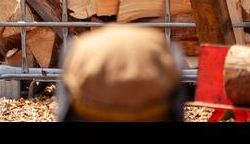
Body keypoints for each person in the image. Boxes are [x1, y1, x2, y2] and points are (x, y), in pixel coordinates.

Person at [56, 24, 186, 121]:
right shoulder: (164, 51)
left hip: (91, 105)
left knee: (68, 52)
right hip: (153, 106)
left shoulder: (81, 48)